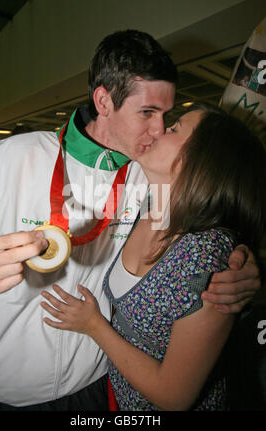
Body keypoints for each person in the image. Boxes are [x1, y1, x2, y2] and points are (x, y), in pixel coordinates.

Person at [0, 30, 261, 411]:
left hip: (96, 381)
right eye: (147, 112)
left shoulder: (149, 176)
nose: (157, 129)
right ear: (104, 100)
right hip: (7, 383)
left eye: (167, 116)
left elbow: (203, 222)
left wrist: (241, 264)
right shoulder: (14, 157)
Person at [40, 103, 266, 410]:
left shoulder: (207, 262)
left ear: (202, 162)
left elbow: (174, 397)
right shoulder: (151, 204)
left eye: (173, 128)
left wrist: (93, 325)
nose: (159, 129)